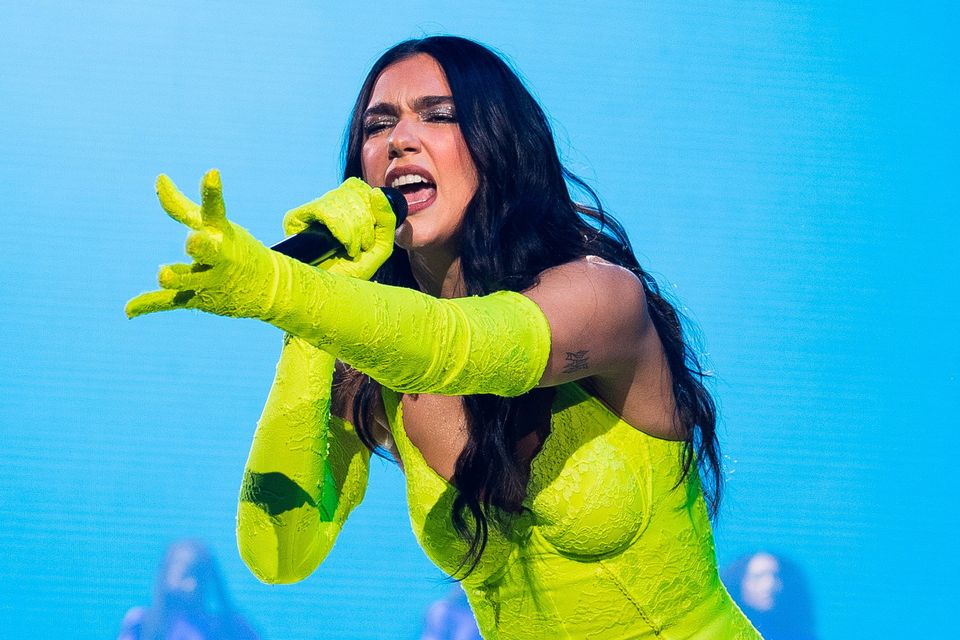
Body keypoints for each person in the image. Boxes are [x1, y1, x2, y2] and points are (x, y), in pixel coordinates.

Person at [127, 35, 760, 639]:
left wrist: (282, 291)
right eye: (378, 126)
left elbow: (463, 350)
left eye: (437, 115)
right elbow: (278, 551)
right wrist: (309, 311)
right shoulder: (375, 365)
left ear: (499, 145)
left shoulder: (601, 298)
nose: (400, 140)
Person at [117, 539, 258, 640]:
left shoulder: (231, 625)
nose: (192, 584)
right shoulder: (141, 622)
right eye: (186, 573)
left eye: (198, 574)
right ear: (167, 573)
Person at [721, 552, 817, 640]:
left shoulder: (799, 634)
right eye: (758, 577)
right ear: (739, 583)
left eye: (775, 576)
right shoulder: (721, 629)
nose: (769, 584)